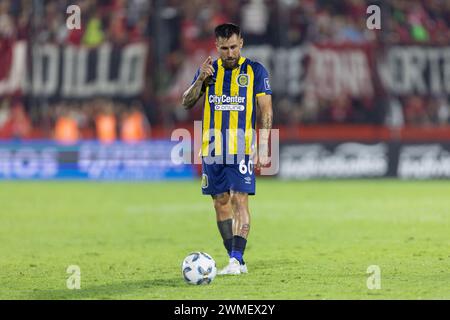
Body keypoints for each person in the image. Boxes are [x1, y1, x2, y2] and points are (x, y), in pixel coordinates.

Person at [181, 23, 273, 275]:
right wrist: (200, 79)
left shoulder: (255, 70)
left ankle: (235, 259)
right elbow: (186, 102)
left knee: (238, 199)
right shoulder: (208, 71)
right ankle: (236, 260)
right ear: (216, 47)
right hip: (212, 147)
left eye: (233, 47)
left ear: (241, 43)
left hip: (241, 147)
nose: (230, 53)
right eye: (224, 48)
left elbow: (265, 109)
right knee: (220, 202)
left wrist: (263, 144)